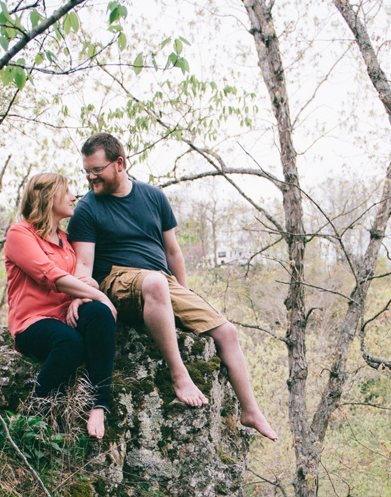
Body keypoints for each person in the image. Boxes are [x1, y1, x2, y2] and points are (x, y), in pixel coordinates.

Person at [66, 133, 278, 440]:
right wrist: (81, 292)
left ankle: (250, 410)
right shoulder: (87, 208)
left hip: (160, 282)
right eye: (86, 170)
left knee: (227, 332)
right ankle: (180, 376)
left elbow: (173, 252)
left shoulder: (153, 197)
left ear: (120, 163)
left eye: (97, 169)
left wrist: (186, 295)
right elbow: (84, 265)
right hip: (117, 279)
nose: (89, 176)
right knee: (155, 282)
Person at [4, 172, 117, 440]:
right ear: (47, 195)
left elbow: (82, 279)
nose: (73, 197)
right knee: (70, 343)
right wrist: (96, 294)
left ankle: (99, 403)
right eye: (66, 191)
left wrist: (83, 295)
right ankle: (35, 411)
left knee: (99, 314)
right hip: (32, 323)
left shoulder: (66, 241)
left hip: (66, 315)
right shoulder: (20, 234)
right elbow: (50, 276)